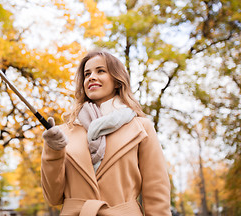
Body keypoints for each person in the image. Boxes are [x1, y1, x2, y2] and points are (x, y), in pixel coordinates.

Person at [41, 50, 171, 216]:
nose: (91, 77)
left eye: (100, 71)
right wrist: (53, 151)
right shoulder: (62, 133)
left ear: (117, 81)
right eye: (87, 74)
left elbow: (156, 191)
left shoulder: (141, 128)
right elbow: (53, 197)